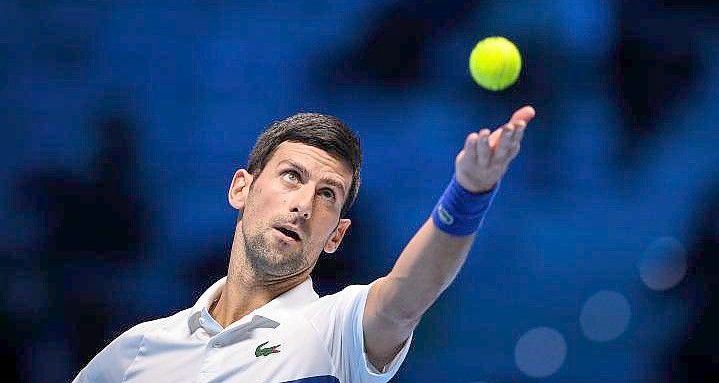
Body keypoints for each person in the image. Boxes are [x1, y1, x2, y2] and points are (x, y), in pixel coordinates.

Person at [72, 105, 535, 383]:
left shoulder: (334, 330)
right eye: (292, 176)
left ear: (336, 235)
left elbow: (406, 299)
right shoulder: (138, 350)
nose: (304, 204)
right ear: (241, 189)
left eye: (327, 195)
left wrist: (469, 192)